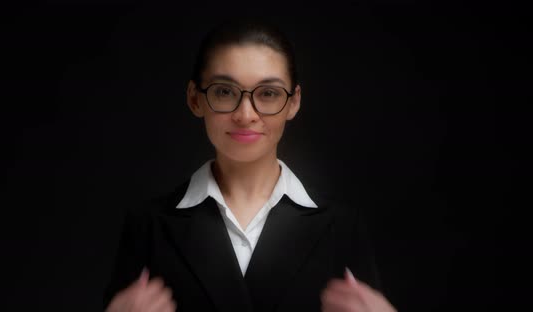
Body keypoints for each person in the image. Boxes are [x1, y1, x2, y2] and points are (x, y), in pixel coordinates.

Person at [103, 19, 397, 312]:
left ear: (293, 102)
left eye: (268, 94)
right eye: (224, 91)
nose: (246, 115)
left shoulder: (342, 228)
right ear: (195, 99)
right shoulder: (149, 226)